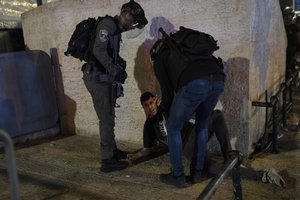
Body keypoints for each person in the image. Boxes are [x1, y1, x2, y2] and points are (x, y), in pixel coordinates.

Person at [128, 91, 286, 188]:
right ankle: (264, 176)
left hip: (195, 132)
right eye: (146, 105)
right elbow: (149, 148)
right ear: (143, 107)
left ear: (155, 101)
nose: (150, 107)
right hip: (187, 148)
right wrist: (135, 155)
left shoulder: (166, 107)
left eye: (151, 103)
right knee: (213, 169)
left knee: (216, 115)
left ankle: (229, 154)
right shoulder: (148, 126)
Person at [151, 27, 226, 188]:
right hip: (218, 79)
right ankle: (197, 172)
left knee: (173, 128)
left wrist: (164, 112)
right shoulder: (187, 49)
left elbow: (168, 93)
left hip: (196, 82)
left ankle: (177, 175)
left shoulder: (160, 59)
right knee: (202, 124)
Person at [81, 0, 148, 173]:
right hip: (97, 78)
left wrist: (118, 66)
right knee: (106, 119)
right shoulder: (108, 24)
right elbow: (99, 50)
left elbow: (109, 53)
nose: (131, 27)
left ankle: (112, 151)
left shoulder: (115, 29)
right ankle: (107, 161)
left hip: (102, 77)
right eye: (132, 22)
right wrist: (114, 70)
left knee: (109, 116)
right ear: (126, 14)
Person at [282, 6, 297, 81]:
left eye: (289, 16)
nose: (288, 18)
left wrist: (297, 52)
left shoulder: (295, 28)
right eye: (286, 16)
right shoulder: (282, 27)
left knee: (289, 67)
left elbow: (298, 41)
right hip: (283, 52)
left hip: (292, 51)